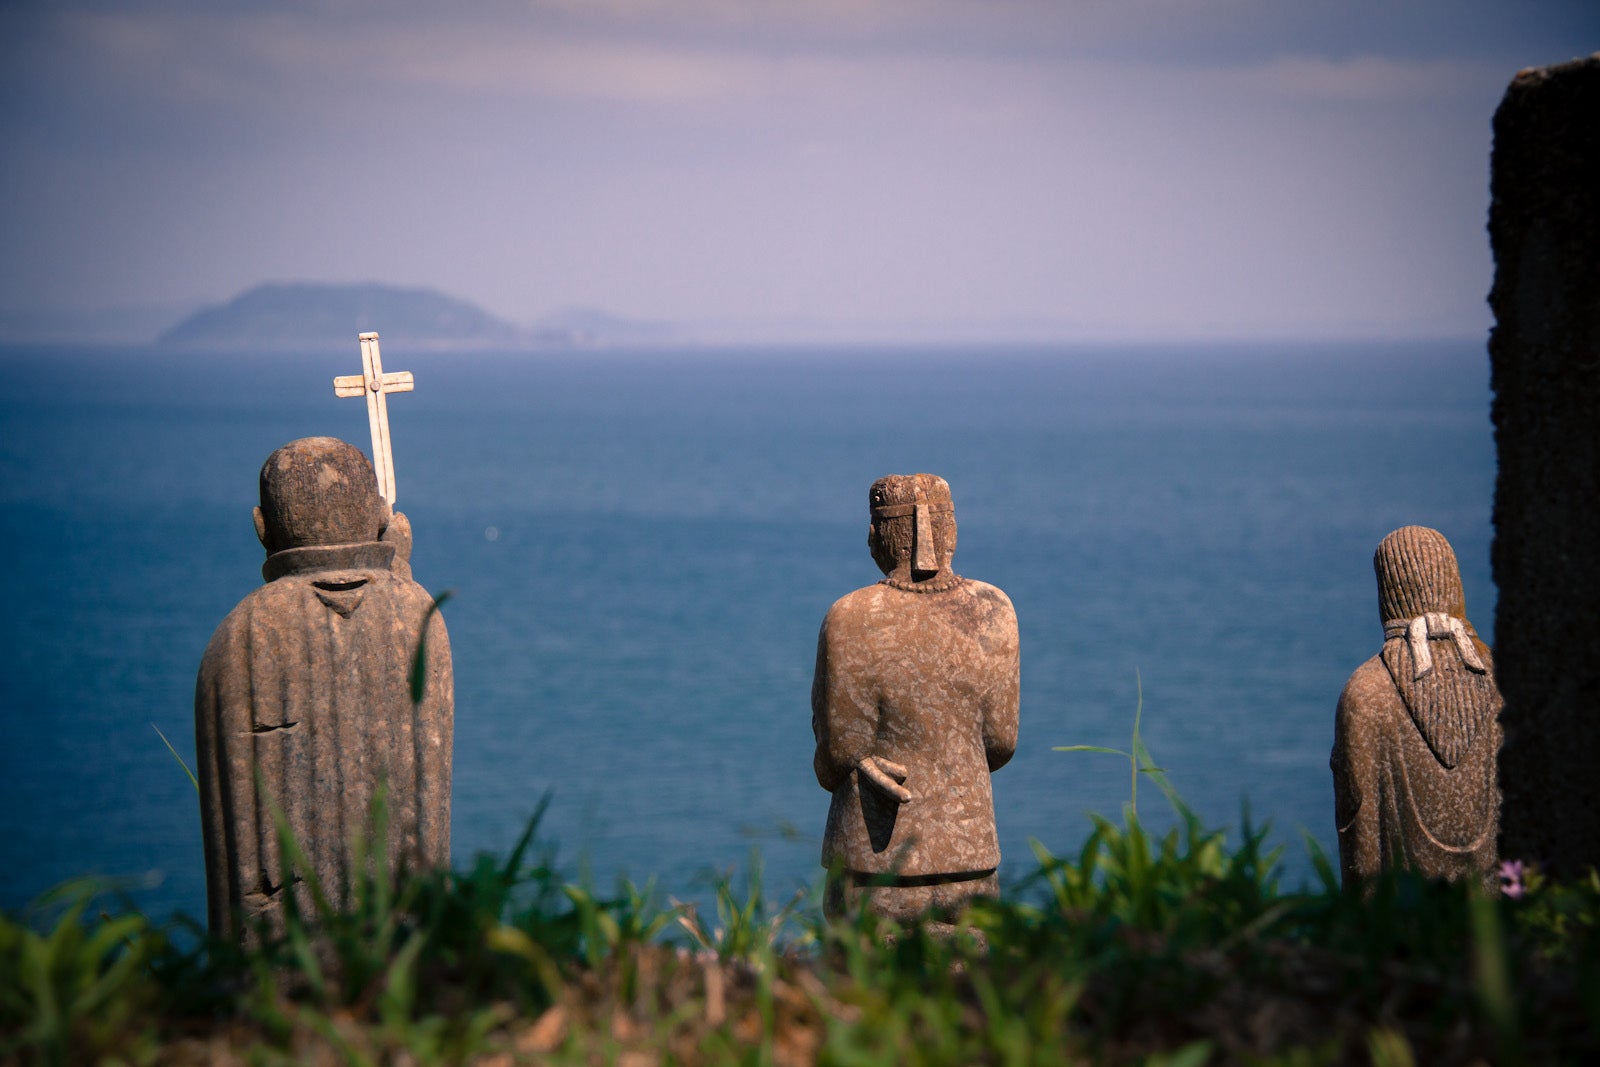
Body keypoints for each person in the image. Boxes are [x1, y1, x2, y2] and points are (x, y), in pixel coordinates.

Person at [195, 437, 452, 940]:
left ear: (262, 527)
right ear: (377, 515)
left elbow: (232, 807)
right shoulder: (419, 614)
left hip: (277, 953)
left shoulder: (242, 632)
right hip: (403, 950)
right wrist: (397, 574)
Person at [811, 473, 1019, 922]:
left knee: (864, 963)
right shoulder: (994, 609)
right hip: (970, 857)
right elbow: (1001, 743)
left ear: (879, 535)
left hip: (871, 865)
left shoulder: (851, 616)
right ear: (950, 532)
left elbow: (840, 752)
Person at [1331, 525, 1501, 887]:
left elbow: (1359, 831)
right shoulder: (1505, 680)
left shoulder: (1367, 693)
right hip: (1501, 904)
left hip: (1404, 910)